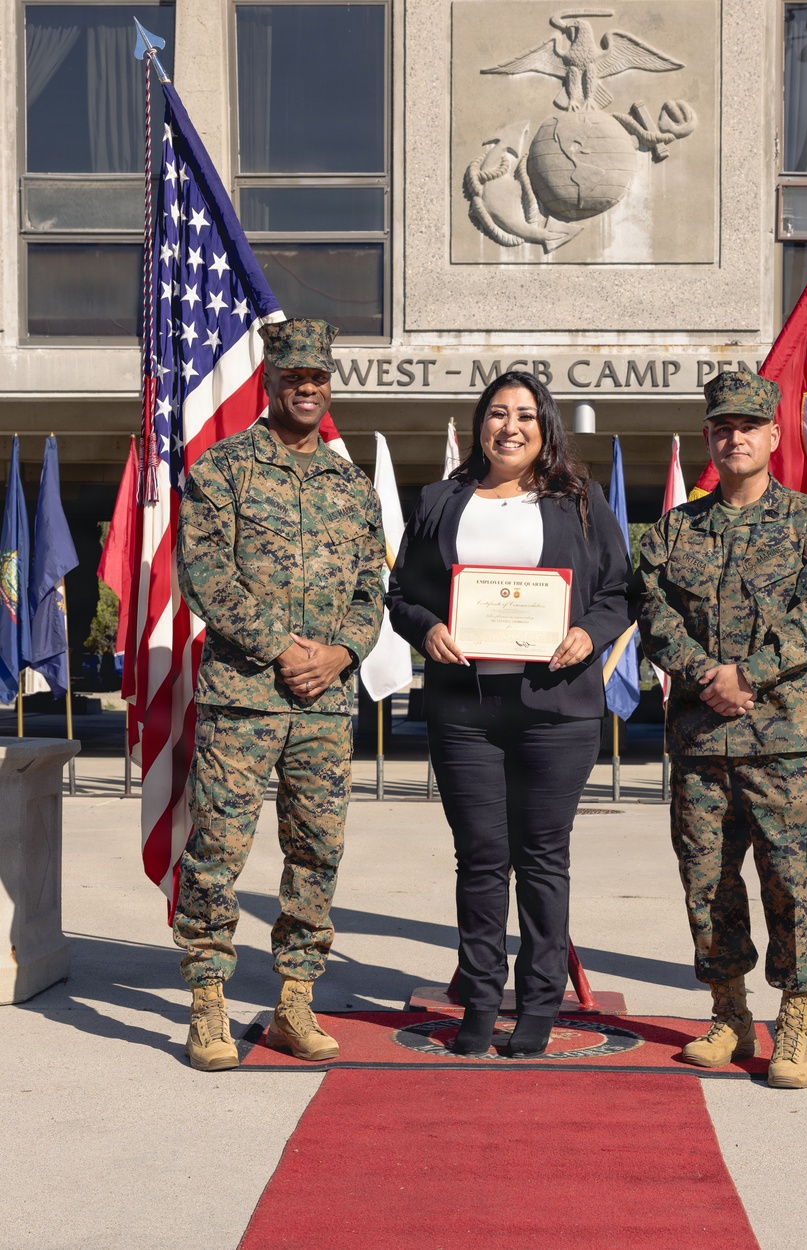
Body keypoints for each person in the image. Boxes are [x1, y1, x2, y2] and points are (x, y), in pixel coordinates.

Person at [387, 371, 632, 1058]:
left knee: (543, 859)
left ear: (545, 425)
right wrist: (426, 626)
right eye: (498, 413)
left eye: (525, 414)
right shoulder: (441, 499)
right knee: (481, 861)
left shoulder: (579, 500)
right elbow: (400, 592)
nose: (511, 426)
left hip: (556, 709)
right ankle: (481, 998)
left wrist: (589, 632)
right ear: (480, 424)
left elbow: (619, 590)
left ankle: (539, 1004)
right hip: (465, 709)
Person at [173, 318, 385, 1072]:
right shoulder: (223, 469)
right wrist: (283, 648)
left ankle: (295, 998)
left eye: (317, 377)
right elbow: (203, 574)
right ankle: (207, 1000)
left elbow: (371, 588)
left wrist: (338, 651)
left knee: (316, 853)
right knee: (217, 852)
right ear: (271, 382)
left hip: (324, 705)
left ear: (330, 384)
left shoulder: (351, 486)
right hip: (244, 699)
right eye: (293, 376)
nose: (306, 387)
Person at [637, 369, 807, 1089]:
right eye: (723, 427)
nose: (735, 438)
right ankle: (728, 1013)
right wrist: (706, 674)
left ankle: (794, 1024)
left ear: (772, 435)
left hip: (783, 741)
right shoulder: (674, 530)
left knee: (794, 882)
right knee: (708, 883)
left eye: (748, 427)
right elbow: (654, 616)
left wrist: (748, 676)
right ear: (709, 438)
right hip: (701, 741)